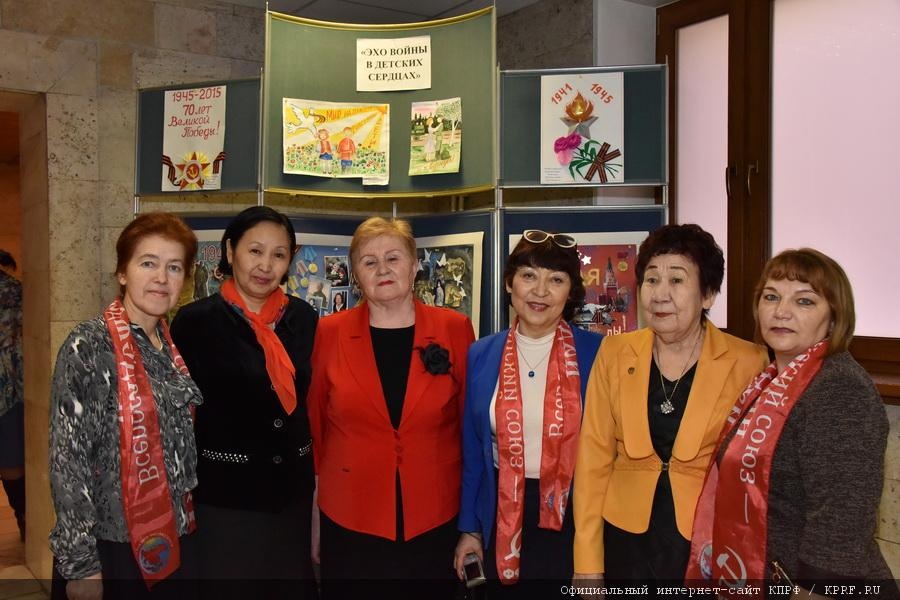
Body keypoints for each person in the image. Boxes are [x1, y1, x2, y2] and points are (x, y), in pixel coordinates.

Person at [687, 249, 898, 597]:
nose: (781, 311)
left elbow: (842, 518)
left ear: (834, 318)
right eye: (771, 297)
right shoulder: (768, 381)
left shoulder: (839, 386)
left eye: (804, 301)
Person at [572, 224, 768, 590]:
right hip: (624, 539)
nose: (660, 294)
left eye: (677, 280)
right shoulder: (614, 352)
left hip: (704, 540)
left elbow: (753, 473)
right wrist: (587, 560)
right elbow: (593, 460)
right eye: (651, 280)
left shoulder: (748, 362)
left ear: (708, 295)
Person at [308, 216, 475, 598]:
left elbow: (469, 428)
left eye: (393, 258)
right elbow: (317, 424)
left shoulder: (454, 328)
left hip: (434, 517)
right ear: (356, 275)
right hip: (350, 516)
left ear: (415, 265)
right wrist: (315, 511)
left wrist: (473, 523)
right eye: (369, 261)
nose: (382, 269)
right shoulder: (330, 332)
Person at [49, 213, 202, 599]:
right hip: (111, 548)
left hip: (171, 536)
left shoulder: (168, 347)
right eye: (148, 263)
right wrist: (82, 566)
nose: (161, 278)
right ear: (122, 272)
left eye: (174, 267)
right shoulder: (89, 345)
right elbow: (68, 462)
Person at [170, 206, 318, 599]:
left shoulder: (304, 319)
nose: (265, 265)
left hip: (292, 498)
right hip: (225, 501)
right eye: (255, 251)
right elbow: (179, 417)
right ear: (230, 250)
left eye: (278, 254)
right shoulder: (195, 322)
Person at [454, 230, 602, 596]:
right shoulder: (480, 354)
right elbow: (472, 453)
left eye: (556, 280)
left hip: (574, 515)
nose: (540, 291)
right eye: (529, 276)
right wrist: (470, 529)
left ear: (571, 291)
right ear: (509, 283)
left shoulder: (599, 354)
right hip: (500, 510)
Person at [0, 250, 25, 542]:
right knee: (11, 460)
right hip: (11, 389)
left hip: (8, 389)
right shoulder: (15, 290)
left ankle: (24, 515)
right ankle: (23, 515)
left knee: (10, 460)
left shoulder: (12, 292)